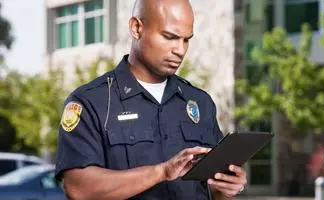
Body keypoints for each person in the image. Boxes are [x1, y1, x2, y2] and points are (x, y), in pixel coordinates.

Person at [55, 0, 247, 199]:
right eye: (169, 37)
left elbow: (211, 191)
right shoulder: (91, 102)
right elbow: (78, 188)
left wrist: (227, 188)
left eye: (186, 40)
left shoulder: (200, 103)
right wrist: (161, 172)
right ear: (136, 28)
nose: (180, 50)